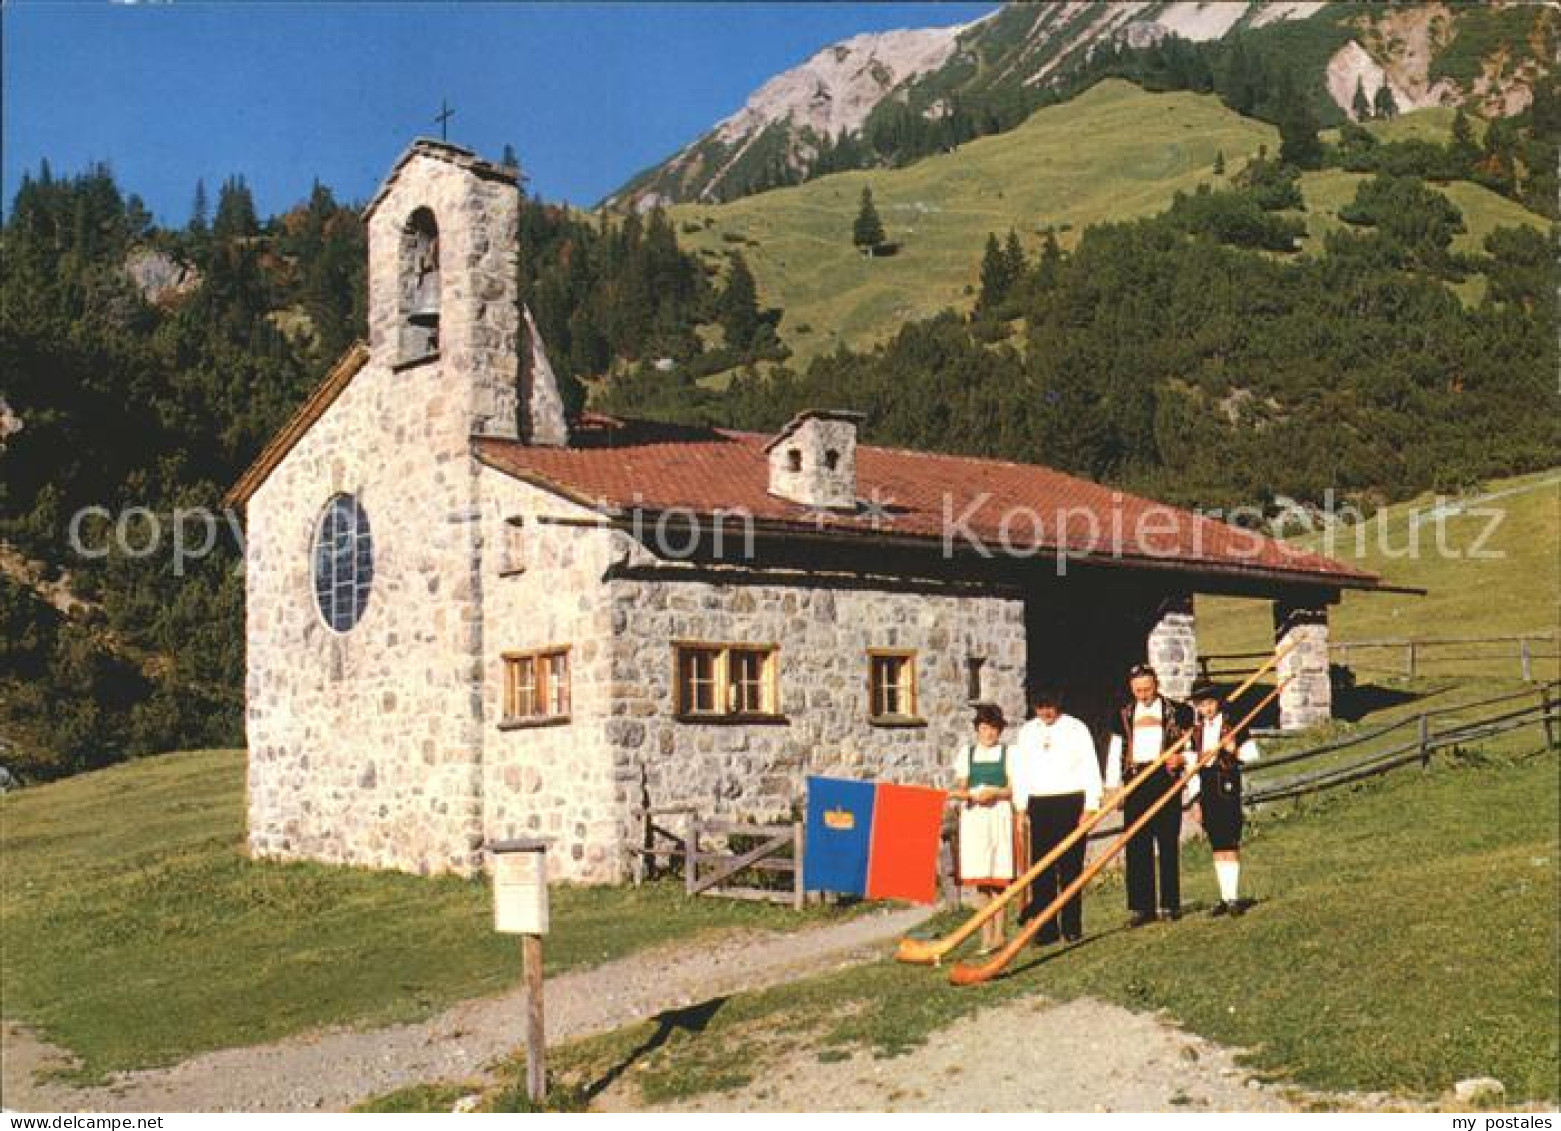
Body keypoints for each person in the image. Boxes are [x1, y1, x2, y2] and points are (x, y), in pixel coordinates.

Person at [1105, 663, 1193, 927]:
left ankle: (1170, 903)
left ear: (1156, 685)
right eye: (1138, 690)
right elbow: (1114, 752)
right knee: (1137, 844)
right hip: (1135, 781)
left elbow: (1194, 746)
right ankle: (1142, 908)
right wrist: (1113, 787)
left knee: (1167, 840)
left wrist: (1182, 758)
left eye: (1147, 689)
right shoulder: (1123, 715)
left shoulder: (1179, 712)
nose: (1143, 695)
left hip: (1165, 779)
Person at [1013, 687, 1102, 944]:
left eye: (1050, 706)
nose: (1045, 712)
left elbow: (1090, 766)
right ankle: (1046, 928)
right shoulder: (1027, 732)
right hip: (1039, 803)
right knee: (1042, 870)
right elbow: (1021, 771)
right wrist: (1020, 807)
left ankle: (1071, 925)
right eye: (1040, 707)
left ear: (1059, 704)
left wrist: (1091, 805)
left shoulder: (1076, 729)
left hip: (1070, 800)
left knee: (1071, 867)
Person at [1186, 681, 1261, 916]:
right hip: (1206, 785)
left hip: (1227, 784)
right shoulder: (1195, 732)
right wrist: (1195, 799)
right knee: (1217, 843)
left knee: (1230, 841)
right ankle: (1224, 896)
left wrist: (1233, 750)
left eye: (1209, 703)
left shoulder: (1233, 725)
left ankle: (1233, 897)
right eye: (1201, 705)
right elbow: (1191, 767)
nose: (1206, 709)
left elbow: (1253, 755)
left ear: (1217, 702)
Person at [952, 703, 1017, 954]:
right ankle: (985, 935)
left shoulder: (1008, 754)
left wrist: (996, 793)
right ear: (977, 730)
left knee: (997, 879)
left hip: (998, 815)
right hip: (975, 818)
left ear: (1000, 730)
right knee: (981, 881)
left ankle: (1000, 933)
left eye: (993, 729)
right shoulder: (966, 754)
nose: (988, 734)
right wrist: (969, 795)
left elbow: (1013, 788)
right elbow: (960, 788)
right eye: (984, 728)